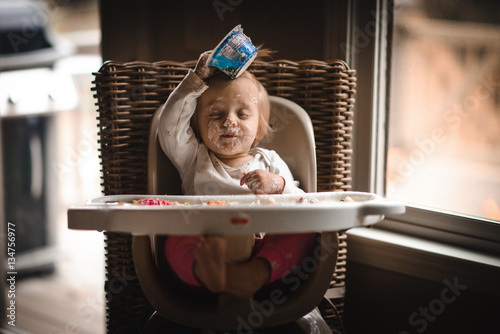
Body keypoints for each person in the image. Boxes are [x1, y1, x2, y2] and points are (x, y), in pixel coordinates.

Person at [158, 50, 317, 299]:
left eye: (242, 114)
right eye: (215, 114)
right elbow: (169, 125)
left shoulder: (270, 161)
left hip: (262, 249)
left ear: (259, 128)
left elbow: (301, 202)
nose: (229, 121)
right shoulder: (193, 158)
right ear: (197, 125)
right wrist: (194, 81)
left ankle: (251, 274)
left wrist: (279, 184)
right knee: (175, 237)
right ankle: (209, 272)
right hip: (209, 246)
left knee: (305, 228)